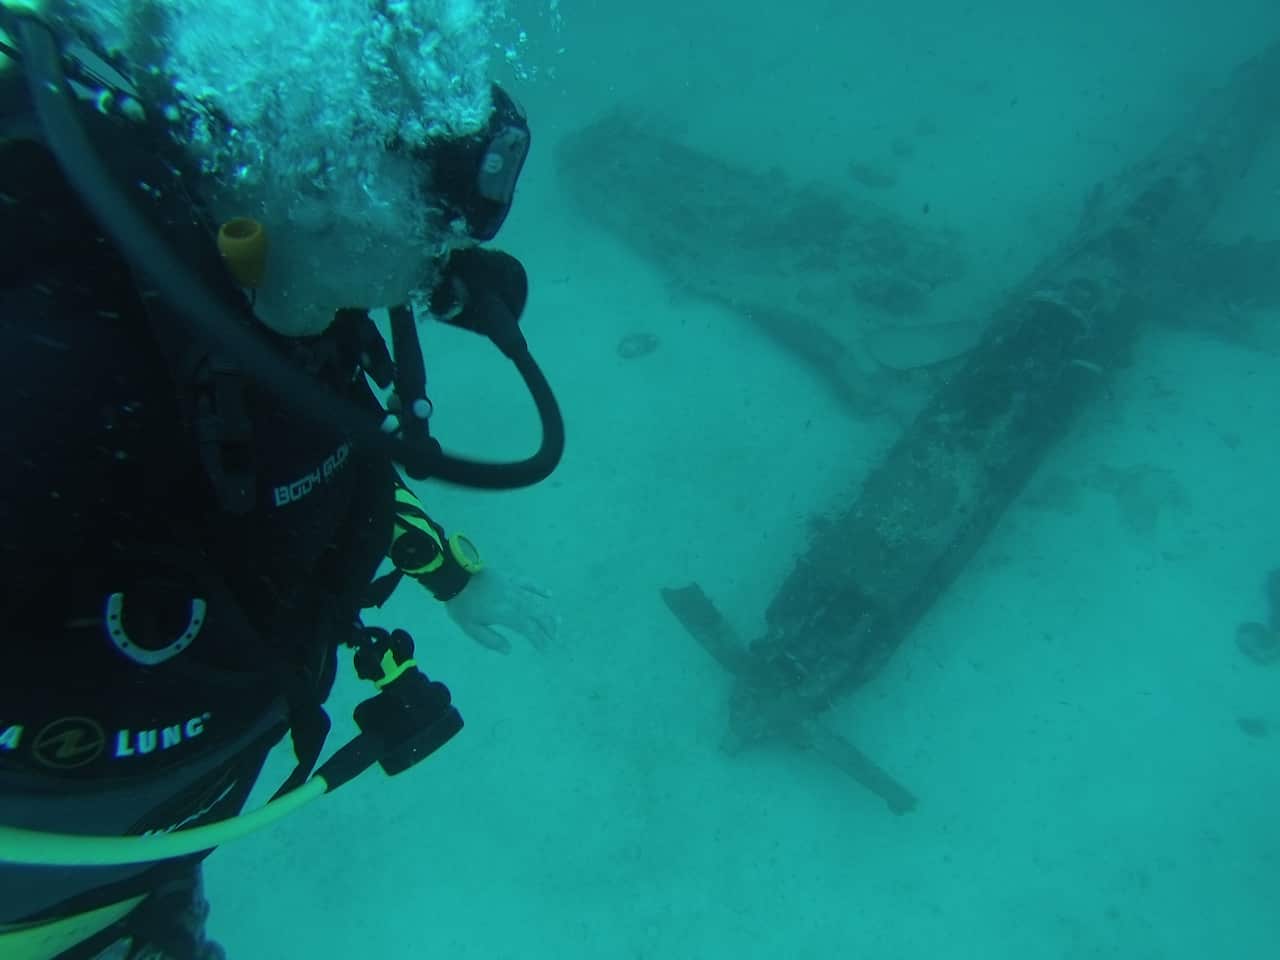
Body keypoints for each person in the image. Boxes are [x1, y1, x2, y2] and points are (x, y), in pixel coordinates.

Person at [0, 2, 563, 957]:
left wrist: (456, 575)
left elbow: (314, 471)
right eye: (429, 235)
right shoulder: (55, 376)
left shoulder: (289, 316)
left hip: (152, 852)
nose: (442, 271)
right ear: (316, 182)